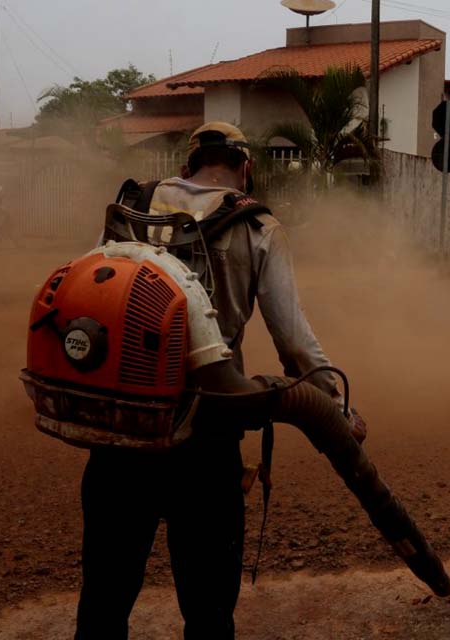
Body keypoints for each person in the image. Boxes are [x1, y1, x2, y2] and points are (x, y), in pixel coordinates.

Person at [75, 122, 365, 640]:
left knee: (103, 599)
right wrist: (336, 406)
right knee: (208, 609)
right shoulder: (257, 226)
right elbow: (293, 342)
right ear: (244, 168)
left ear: (188, 165)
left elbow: (90, 284)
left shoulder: (131, 206)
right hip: (206, 433)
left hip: (124, 426)